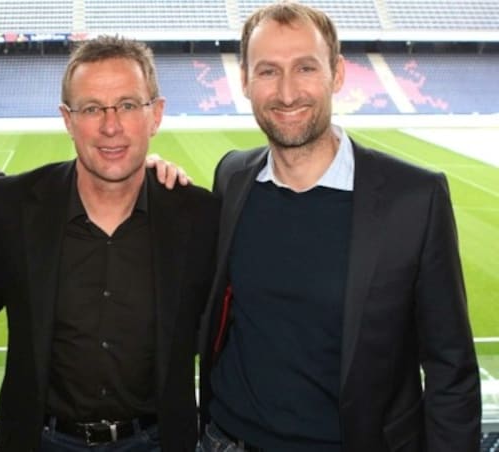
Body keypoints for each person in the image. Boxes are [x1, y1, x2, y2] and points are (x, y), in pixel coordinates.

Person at [198, 2, 481, 451]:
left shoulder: (415, 199)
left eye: (305, 68)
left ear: (338, 74)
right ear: (245, 82)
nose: (287, 93)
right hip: (225, 441)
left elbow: (451, 369)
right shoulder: (232, 176)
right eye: (268, 71)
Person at [0, 36, 219, 451]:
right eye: (92, 108)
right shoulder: (10, 207)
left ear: (156, 114)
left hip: (157, 441)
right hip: (43, 441)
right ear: (67, 119)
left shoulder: (200, 217)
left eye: (128, 105)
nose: (111, 126)